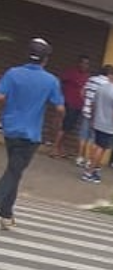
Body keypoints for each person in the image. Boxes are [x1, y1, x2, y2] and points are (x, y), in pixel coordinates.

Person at [0, 38, 65, 230]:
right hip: (30, 135)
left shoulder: (13, 73)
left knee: (15, 170)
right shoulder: (51, 81)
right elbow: (60, 109)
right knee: (14, 171)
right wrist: (56, 127)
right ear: (45, 59)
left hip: (10, 131)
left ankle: (6, 213)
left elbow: (1, 97)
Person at [82, 70, 113, 184]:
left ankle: (93, 168)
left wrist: (92, 119)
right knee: (101, 148)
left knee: (96, 145)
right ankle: (89, 172)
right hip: (108, 125)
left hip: (97, 122)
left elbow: (93, 104)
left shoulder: (102, 88)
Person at [76, 65, 113, 167]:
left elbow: (82, 92)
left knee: (83, 136)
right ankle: (89, 160)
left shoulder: (91, 79)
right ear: (110, 74)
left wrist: (86, 103)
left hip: (86, 111)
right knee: (94, 139)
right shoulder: (107, 85)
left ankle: (79, 158)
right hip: (98, 115)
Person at [51, 55, 90, 158]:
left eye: (87, 64)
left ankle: (60, 147)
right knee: (64, 127)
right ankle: (54, 148)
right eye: (83, 63)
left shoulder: (87, 77)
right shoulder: (71, 72)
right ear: (79, 63)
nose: (84, 65)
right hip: (69, 103)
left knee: (69, 128)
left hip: (78, 106)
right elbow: (59, 82)